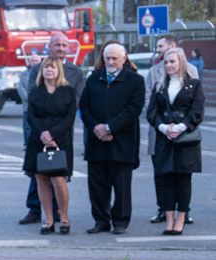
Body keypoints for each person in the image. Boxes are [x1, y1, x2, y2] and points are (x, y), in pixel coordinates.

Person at [81, 42, 145, 235]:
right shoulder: (93, 79)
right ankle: (101, 221)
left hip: (122, 141)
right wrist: (97, 128)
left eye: (114, 58)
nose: (110, 61)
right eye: (107, 58)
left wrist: (109, 128)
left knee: (122, 185)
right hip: (96, 141)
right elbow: (84, 106)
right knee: (97, 185)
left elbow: (133, 109)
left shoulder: (135, 81)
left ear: (123, 59)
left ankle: (120, 221)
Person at [19, 33, 83, 225]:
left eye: (64, 45)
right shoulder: (37, 68)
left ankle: (59, 212)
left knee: (58, 175)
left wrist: (54, 132)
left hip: (61, 133)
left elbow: (77, 101)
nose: (61, 48)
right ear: (50, 46)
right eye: (57, 45)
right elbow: (32, 101)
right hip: (39, 133)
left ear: (68, 48)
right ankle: (35, 209)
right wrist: (44, 134)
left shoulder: (75, 72)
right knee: (38, 174)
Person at [146, 47, 205, 236]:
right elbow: (151, 113)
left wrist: (179, 128)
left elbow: (197, 112)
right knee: (167, 181)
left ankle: (181, 219)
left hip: (186, 139)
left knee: (183, 180)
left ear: (181, 63)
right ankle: (169, 220)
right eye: (166, 62)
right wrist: (164, 128)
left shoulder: (193, 85)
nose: (169, 65)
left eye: (173, 61)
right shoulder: (159, 85)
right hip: (165, 138)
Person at [18, 53, 41, 149]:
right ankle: (27, 144)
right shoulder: (24, 74)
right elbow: (21, 88)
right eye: (33, 61)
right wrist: (28, 98)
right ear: (29, 62)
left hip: (39, 104)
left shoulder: (43, 73)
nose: (34, 63)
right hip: (27, 104)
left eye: (36, 61)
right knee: (27, 125)